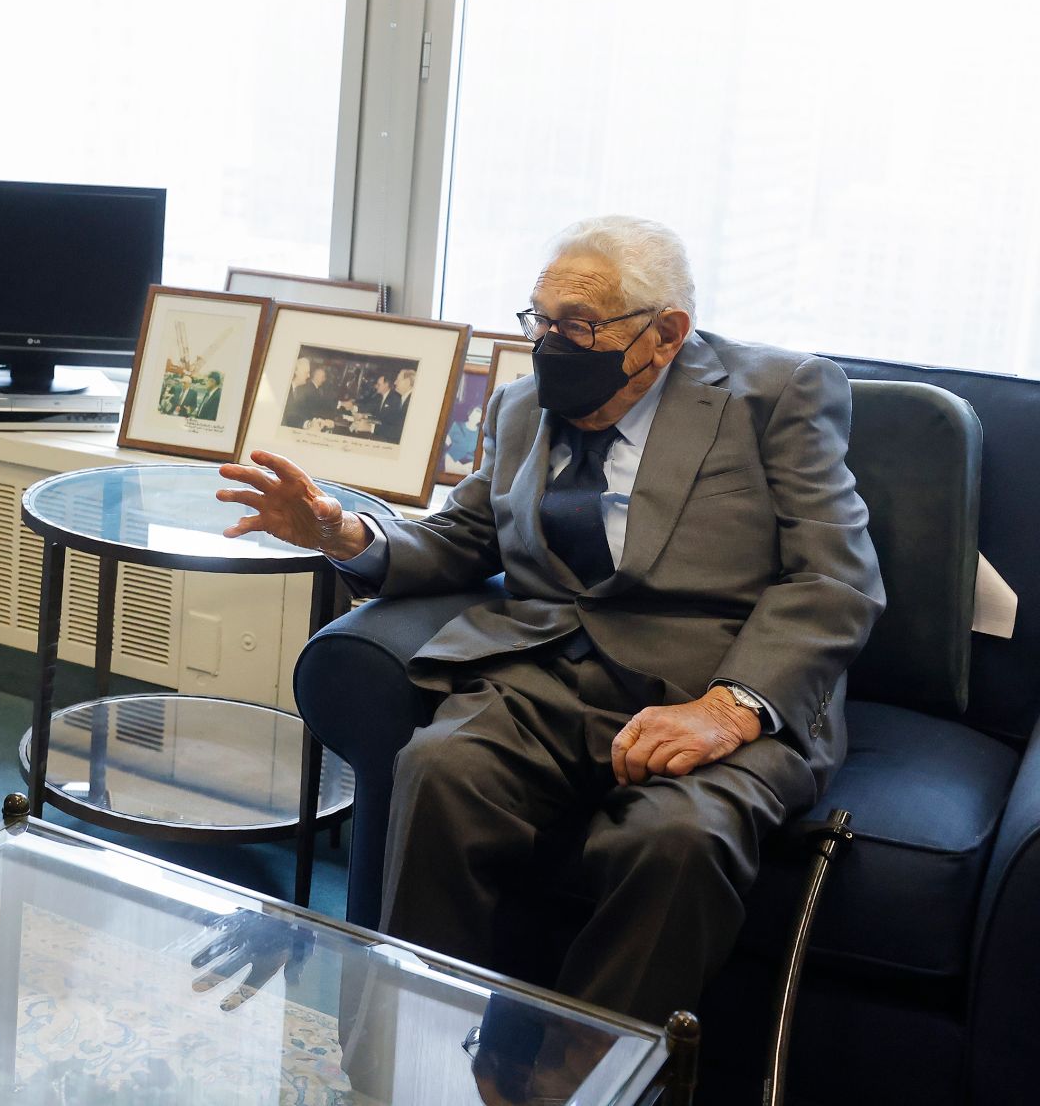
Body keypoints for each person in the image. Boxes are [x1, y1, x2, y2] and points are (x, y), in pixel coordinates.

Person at [217, 215, 883, 1091]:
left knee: (680, 839)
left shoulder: (779, 395)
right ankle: (400, 1065)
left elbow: (835, 578)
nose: (548, 345)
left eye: (578, 326)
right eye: (538, 320)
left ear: (667, 332)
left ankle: (570, 1078)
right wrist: (348, 535)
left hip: (708, 689)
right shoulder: (522, 405)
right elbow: (463, 536)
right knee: (439, 769)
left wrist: (729, 707)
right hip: (545, 674)